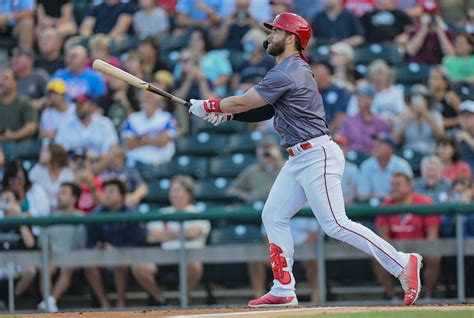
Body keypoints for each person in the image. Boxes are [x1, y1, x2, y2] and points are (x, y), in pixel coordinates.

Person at [188, 12, 424, 307]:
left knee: (336, 224)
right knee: (272, 215)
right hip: (298, 157)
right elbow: (262, 110)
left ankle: (403, 263)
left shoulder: (289, 70)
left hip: (316, 154)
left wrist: (210, 104)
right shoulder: (287, 70)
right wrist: (228, 113)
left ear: (290, 37)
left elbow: (245, 100)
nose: (270, 36)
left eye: (275, 31)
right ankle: (284, 288)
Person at [132, 175, 211, 304]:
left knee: (195, 266)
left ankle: (183, 298)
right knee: (139, 266)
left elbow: (193, 233)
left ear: (188, 194)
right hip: (164, 258)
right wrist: (182, 234)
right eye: (172, 190)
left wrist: (167, 234)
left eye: (177, 190)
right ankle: (160, 299)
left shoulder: (198, 212)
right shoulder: (163, 212)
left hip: (189, 257)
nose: (173, 194)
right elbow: (151, 236)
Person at [374, 172, 441, 300]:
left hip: (421, 248)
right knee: (378, 257)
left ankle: (428, 297)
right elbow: (384, 238)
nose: (394, 188)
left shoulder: (425, 202)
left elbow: (432, 237)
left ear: (410, 186)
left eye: (398, 184)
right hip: (396, 249)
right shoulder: (385, 205)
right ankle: (392, 297)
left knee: (434, 256)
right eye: (392, 185)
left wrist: (418, 254)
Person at [85, 179, 146, 308]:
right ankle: (103, 302)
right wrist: (99, 247)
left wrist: (116, 249)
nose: (107, 195)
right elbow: (90, 242)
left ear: (121, 195)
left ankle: (121, 302)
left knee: (120, 262)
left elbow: (136, 242)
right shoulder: (96, 214)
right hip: (102, 257)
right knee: (89, 263)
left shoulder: (131, 214)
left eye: (111, 192)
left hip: (125, 256)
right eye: (105, 191)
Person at [37, 182, 85, 312]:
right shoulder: (51, 217)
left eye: (64, 192)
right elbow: (43, 242)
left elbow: (80, 245)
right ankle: (49, 302)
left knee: (67, 267)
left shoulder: (81, 216)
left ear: (74, 198)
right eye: (59, 192)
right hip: (52, 256)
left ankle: (49, 302)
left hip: (72, 257)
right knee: (45, 267)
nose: (59, 195)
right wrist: (50, 256)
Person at [121, 86, 177, 166]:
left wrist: (139, 139)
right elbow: (129, 144)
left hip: (159, 165)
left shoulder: (166, 117)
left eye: (149, 97)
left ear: (158, 100)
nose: (146, 100)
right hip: (135, 164)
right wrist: (153, 139)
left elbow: (162, 142)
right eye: (144, 96)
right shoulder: (132, 118)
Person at [55, 94, 118, 159]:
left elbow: (113, 147)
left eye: (82, 104)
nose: (78, 106)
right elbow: (60, 150)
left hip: (102, 164)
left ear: (92, 106)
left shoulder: (104, 123)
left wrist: (96, 159)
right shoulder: (66, 124)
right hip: (73, 164)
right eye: (77, 104)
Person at [0, 189, 36, 299]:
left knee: (30, 271)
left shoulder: (23, 219)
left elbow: (30, 243)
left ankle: (11, 299)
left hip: (19, 260)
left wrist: (18, 217)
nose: (4, 203)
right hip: (1, 260)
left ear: (16, 202)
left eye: (8, 200)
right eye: (2, 200)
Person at [357, 133, 414, 203]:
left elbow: (407, 191)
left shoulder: (402, 165)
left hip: (396, 205)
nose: (376, 146)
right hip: (372, 207)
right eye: (375, 143)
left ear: (391, 148)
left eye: (381, 143)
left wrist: (384, 198)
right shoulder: (366, 165)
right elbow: (362, 195)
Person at [393, 84, 445, 155]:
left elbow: (441, 137)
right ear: (410, 101)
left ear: (427, 100)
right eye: (415, 98)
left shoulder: (435, 115)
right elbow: (395, 140)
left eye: (422, 98)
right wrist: (407, 120)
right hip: (409, 153)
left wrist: (426, 115)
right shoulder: (404, 116)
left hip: (431, 154)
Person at [339, 84, 391, 154]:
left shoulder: (381, 123)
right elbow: (341, 139)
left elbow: (387, 145)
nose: (359, 99)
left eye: (363, 96)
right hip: (352, 156)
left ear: (371, 100)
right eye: (358, 96)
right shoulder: (349, 121)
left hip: (373, 158)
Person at [29, 143, 74, 210]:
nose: (41, 153)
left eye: (45, 151)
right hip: (40, 209)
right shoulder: (38, 169)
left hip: (61, 209)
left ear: (54, 154)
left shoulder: (67, 173)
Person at [0, 69, 38, 143]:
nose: (1, 82)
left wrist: (12, 136)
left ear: (15, 82)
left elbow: (31, 127)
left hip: (20, 146)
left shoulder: (24, 102)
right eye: (0, 78)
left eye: (5, 78)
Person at [311, 61, 350, 132]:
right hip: (313, 132)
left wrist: (327, 133)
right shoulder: (311, 92)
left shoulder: (339, 91)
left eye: (315, 75)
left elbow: (341, 116)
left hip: (332, 133)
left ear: (324, 76)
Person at [428, 66, 461, 132]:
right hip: (433, 132)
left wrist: (445, 122)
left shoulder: (451, 97)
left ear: (445, 82)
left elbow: (464, 117)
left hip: (451, 131)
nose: (431, 81)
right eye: (430, 78)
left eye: (435, 78)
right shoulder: (427, 98)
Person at [333, 134, 359, 204]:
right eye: (334, 146)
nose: (337, 149)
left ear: (347, 149)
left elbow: (354, 193)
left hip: (346, 206)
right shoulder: (322, 167)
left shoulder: (352, 168)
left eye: (340, 146)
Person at [456, 100, 474, 173]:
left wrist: (468, 139)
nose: (465, 119)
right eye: (462, 116)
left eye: (469, 116)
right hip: (457, 175)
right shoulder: (454, 135)